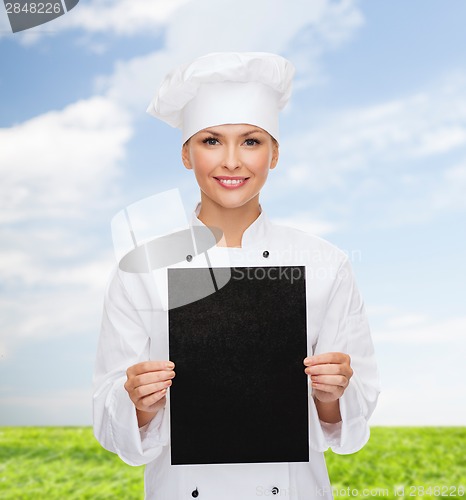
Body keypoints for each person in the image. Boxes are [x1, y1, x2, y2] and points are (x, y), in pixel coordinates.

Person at [93, 52, 380, 499]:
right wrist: (138, 403)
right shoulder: (142, 268)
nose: (231, 161)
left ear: (275, 153)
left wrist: (331, 396)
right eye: (210, 141)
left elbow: (350, 433)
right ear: (187, 154)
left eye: (250, 141)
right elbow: (113, 431)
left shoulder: (325, 263)